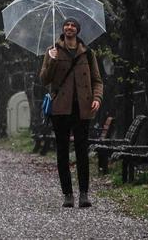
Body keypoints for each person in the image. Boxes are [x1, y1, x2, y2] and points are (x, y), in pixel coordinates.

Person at [39, 16, 104, 208]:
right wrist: (52, 60)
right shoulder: (52, 51)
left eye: (73, 25)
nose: (69, 27)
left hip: (82, 108)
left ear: (77, 30)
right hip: (60, 109)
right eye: (66, 25)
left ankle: (84, 193)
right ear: (62, 29)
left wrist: (97, 98)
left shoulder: (88, 53)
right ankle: (68, 194)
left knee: (82, 151)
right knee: (62, 152)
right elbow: (44, 79)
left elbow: (97, 80)